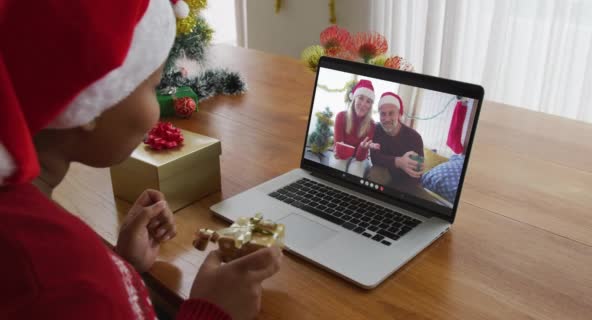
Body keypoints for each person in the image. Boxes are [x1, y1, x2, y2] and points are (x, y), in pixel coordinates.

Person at [0, 1, 281, 320]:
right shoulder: (65, 280)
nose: (157, 110)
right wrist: (212, 310)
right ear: (93, 98)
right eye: (153, 87)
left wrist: (121, 266)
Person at [370, 92, 425, 192]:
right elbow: (374, 157)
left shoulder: (414, 137)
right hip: (384, 174)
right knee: (375, 173)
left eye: (391, 113)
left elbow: (417, 173)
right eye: (383, 114)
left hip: (406, 183)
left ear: (399, 114)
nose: (386, 119)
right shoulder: (376, 130)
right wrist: (399, 162)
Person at [331, 79, 379, 177]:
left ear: (370, 105)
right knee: (338, 165)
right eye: (361, 98)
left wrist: (362, 147)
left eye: (368, 101)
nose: (363, 104)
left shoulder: (371, 125)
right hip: (341, 156)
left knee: (355, 171)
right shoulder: (341, 116)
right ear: (354, 98)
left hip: (359, 159)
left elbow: (360, 158)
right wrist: (338, 152)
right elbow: (338, 150)